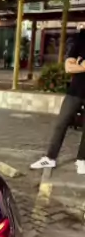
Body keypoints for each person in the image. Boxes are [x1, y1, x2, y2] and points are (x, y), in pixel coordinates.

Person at [31, 24, 85, 175]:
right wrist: (81, 66)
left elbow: (74, 65)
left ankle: (82, 160)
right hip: (75, 91)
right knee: (61, 123)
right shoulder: (82, 38)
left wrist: (80, 64)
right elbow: (68, 67)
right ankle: (50, 157)